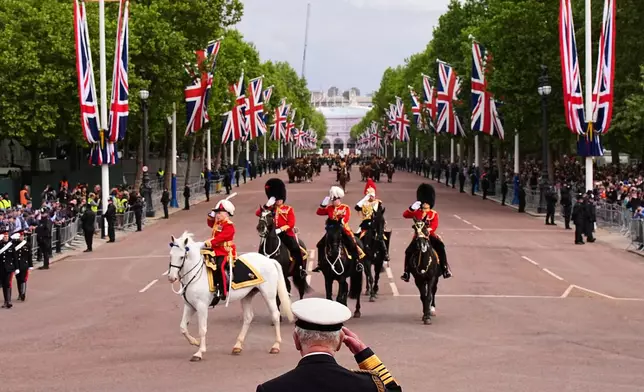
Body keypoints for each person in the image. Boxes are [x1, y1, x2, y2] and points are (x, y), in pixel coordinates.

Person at [256, 298, 402, 392]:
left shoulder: (270, 389)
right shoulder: (367, 385)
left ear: (296, 340)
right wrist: (365, 355)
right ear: (340, 342)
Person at [401, 184, 452, 282]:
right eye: (423, 202)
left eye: (427, 202)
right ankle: (406, 272)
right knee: (408, 251)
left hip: (429, 236)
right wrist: (412, 208)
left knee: (441, 247)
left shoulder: (433, 213)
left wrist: (427, 231)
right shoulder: (417, 212)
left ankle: (445, 269)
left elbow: (434, 225)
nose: (425, 204)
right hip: (417, 236)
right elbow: (405, 215)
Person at [256, 178, 307, 278]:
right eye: (277, 199)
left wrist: (281, 229)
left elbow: (291, 223)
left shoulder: (288, 209)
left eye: (280, 198)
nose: (278, 200)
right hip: (271, 233)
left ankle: (301, 269)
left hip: (285, 234)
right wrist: (266, 205)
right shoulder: (270, 208)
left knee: (296, 249)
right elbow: (258, 213)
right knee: (261, 249)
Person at [313, 186, 366, 273]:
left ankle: (357, 262)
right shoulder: (330, 208)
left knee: (352, 243)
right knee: (320, 244)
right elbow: (319, 212)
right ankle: (320, 264)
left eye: (335, 200)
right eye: (332, 200)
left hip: (342, 229)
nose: (334, 202)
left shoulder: (345, 207)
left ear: (339, 199)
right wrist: (323, 205)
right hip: (332, 230)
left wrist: (341, 221)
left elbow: (346, 218)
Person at [204, 196, 237, 303]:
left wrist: (210, 242)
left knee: (220, 266)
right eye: (217, 213)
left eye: (220, 212)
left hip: (225, 251)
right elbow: (210, 223)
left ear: (226, 214)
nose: (218, 215)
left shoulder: (229, 225)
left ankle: (223, 291)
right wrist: (211, 215)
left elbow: (221, 237)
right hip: (215, 250)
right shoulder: (218, 223)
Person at [355, 178, 390, 262]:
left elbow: (380, 213)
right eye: (369, 195)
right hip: (365, 223)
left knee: (383, 236)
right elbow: (356, 207)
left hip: (376, 223)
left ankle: (385, 253)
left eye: (372, 195)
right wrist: (364, 199)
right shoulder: (363, 203)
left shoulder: (378, 202)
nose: (371, 196)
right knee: (356, 236)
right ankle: (357, 255)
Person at [11, 229, 32, 301]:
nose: (21, 237)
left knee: (23, 279)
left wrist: (30, 265)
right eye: (20, 236)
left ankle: (23, 293)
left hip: (24, 265)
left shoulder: (27, 244)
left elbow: (29, 255)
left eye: (22, 236)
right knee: (18, 280)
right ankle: (20, 293)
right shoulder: (14, 244)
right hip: (17, 265)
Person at [0, 229, 15, 308]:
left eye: (7, 236)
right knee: (4, 284)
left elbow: (14, 257)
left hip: (9, 267)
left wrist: (16, 268)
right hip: (1, 268)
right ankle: (6, 301)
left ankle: (8, 301)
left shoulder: (11, 245)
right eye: (4, 236)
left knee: (7, 283)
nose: (6, 237)